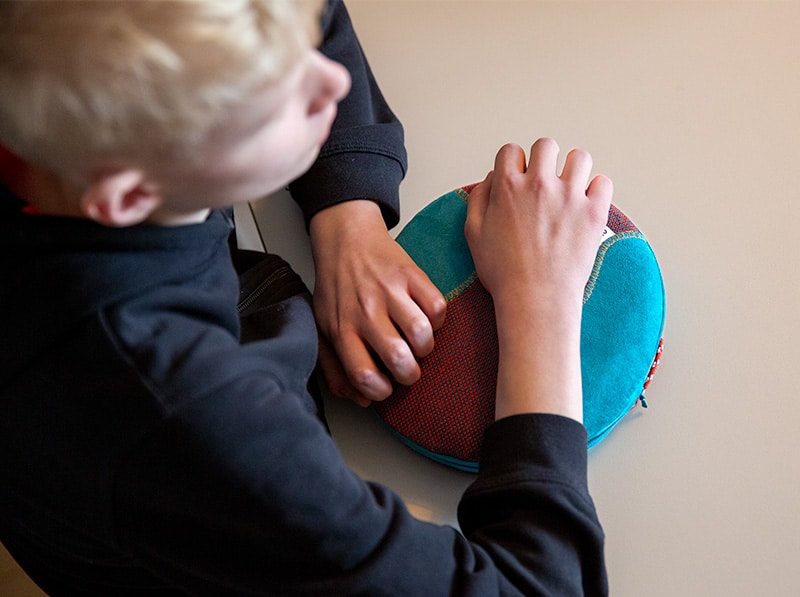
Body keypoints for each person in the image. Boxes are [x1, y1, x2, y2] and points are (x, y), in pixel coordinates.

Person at [0, 0, 612, 595]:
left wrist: (348, 218)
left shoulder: (85, 111)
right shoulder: (177, 411)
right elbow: (543, 585)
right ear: (128, 196)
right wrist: (539, 297)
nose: (335, 80)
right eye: (270, 103)